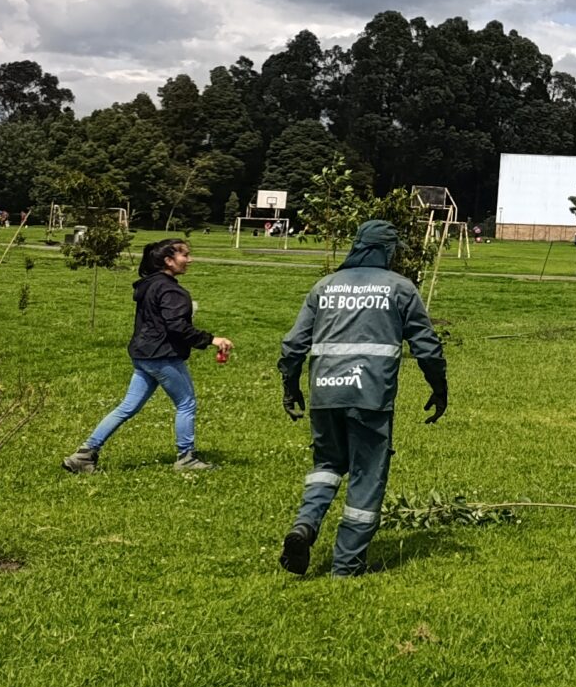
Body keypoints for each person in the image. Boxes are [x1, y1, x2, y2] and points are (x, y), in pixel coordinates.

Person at [273, 219, 447, 578]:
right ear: (387, 250)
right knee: (367, 475)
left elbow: (293, 345)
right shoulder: (400, 288)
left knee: (327, 465)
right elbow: (426, 347)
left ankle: (304, 525)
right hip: (370, 395)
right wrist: (438, 387)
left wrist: (290, 386)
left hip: (325, 392)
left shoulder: (324, 286)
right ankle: (347, 566)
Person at [63, 237, 233, 473]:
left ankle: (84, 455)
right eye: (184, 255)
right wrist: (212, 339)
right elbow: (177, 326)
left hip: (143, 355)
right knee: (186, 404)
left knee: (127, 407)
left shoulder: (150, 285)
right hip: (163, 356)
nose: (190, 259)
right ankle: (186, 458)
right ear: (168, 260)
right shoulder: (170, 290)